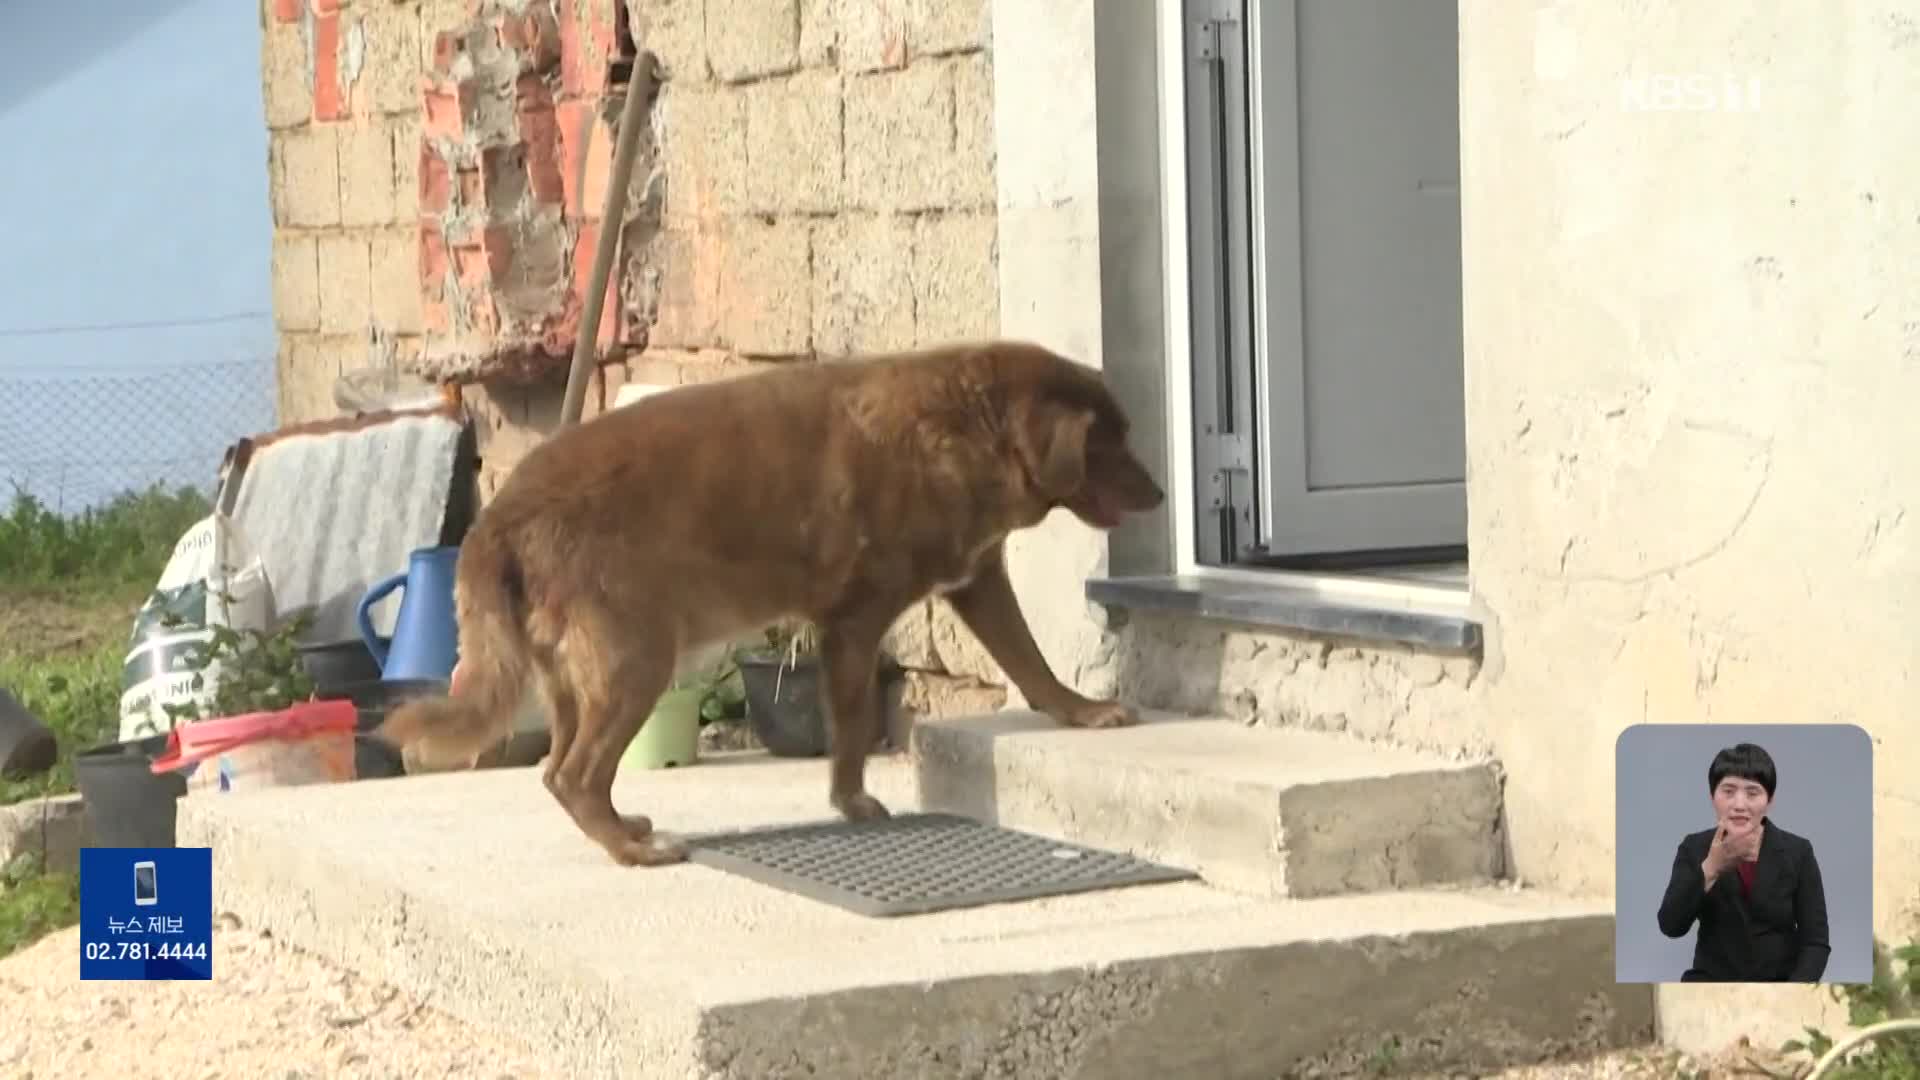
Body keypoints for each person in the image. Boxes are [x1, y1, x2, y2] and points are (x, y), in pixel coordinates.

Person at [1656, 742, 1830, 982]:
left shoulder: (1798, 851)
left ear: (1769, 800)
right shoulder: (1694, 848)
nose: (1739, 805)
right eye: (1728, 791)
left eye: (1752, 792)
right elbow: (1670, 925)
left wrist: (1792, 992)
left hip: (1779, 985)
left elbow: (1816, 942)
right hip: (1711, 983)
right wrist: (1710, 869)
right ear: (1712, 796)